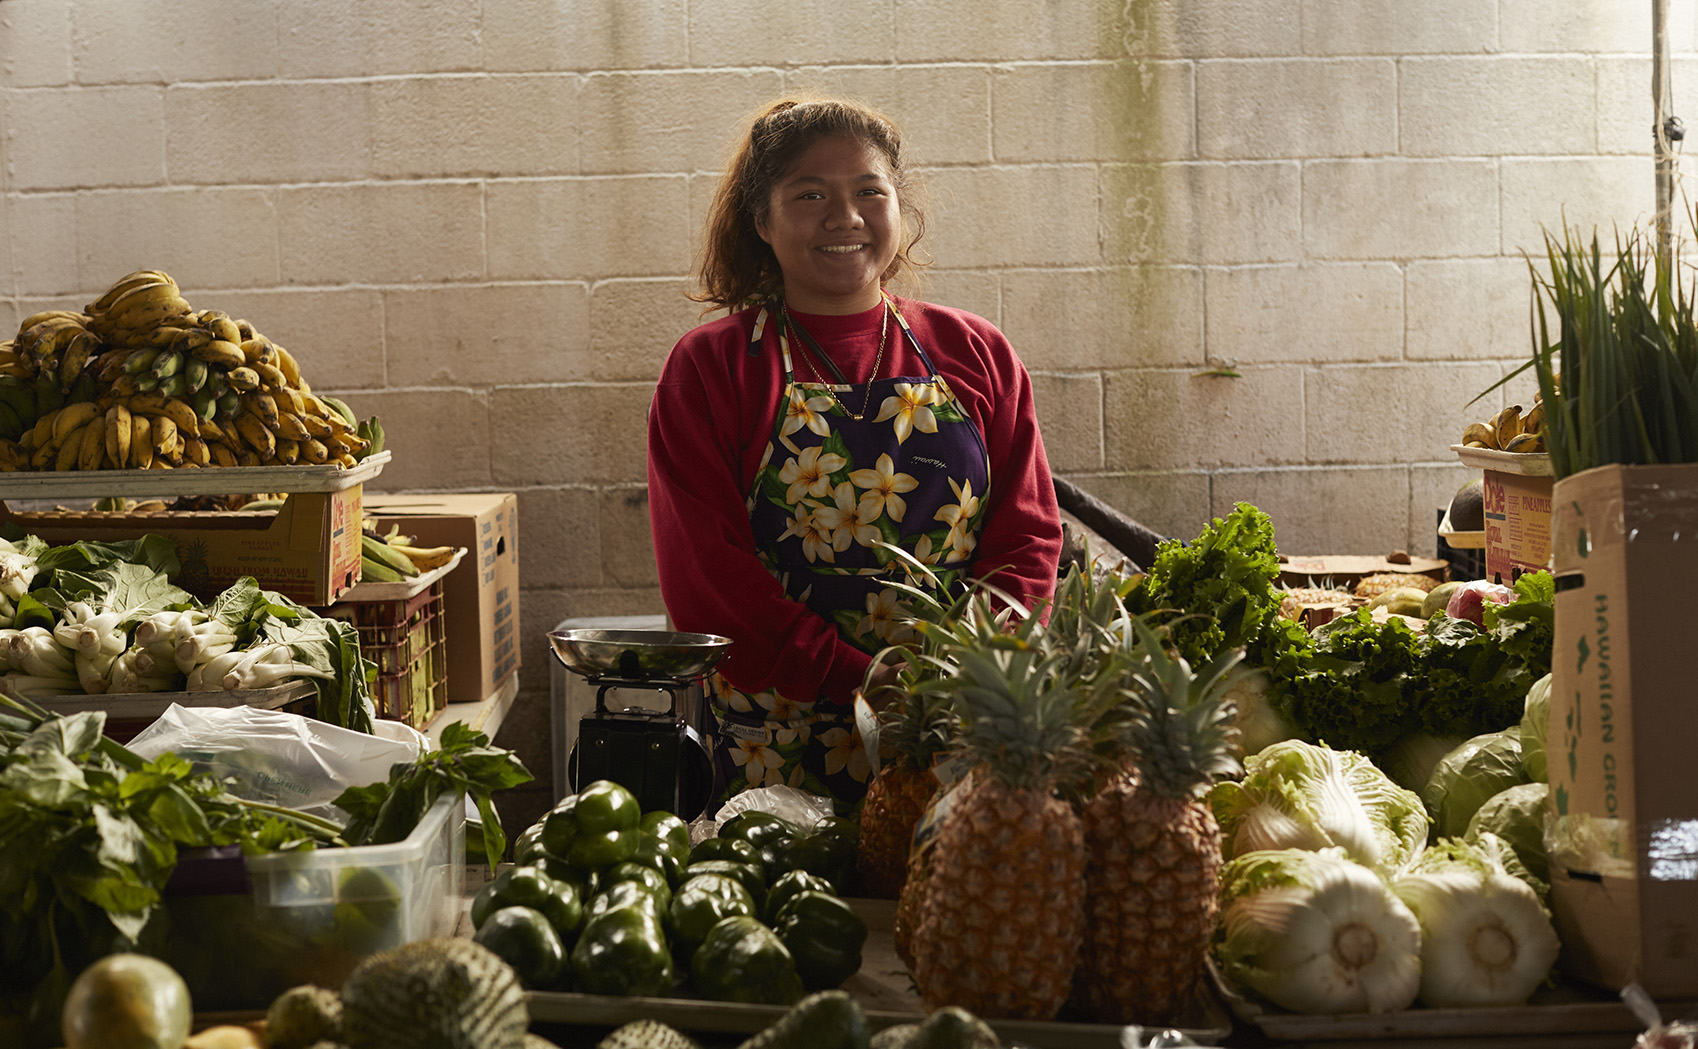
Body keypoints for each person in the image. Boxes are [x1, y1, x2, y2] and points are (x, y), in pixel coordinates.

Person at [647, 97, 1063, 811]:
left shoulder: (978, 352)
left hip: (954, 733)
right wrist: (865, 679)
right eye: (809, 195)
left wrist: (966, 669)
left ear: (900, 208)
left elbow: (1027, 539)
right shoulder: (715, 367)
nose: (845, 216)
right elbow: (708, 581)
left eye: (870, 191)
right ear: (762, 222)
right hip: (777, 751)